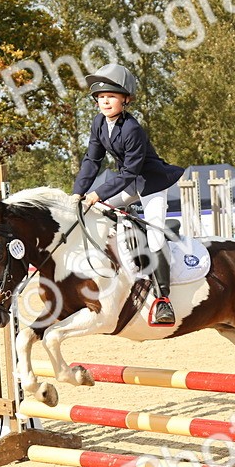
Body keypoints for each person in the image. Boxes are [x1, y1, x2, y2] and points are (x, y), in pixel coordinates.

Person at [72, 64, 184, 326]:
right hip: (129, 182)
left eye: (111, 96)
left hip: (152, 183)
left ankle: (163, 299)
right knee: (98, 212)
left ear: (126, 99)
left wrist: (97, 192)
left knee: (155, 234)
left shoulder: (132, 128)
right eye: (100, 97)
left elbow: (131, 171)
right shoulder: (99, 123)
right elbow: (91, 160)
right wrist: (78, 193)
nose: (105, 101)